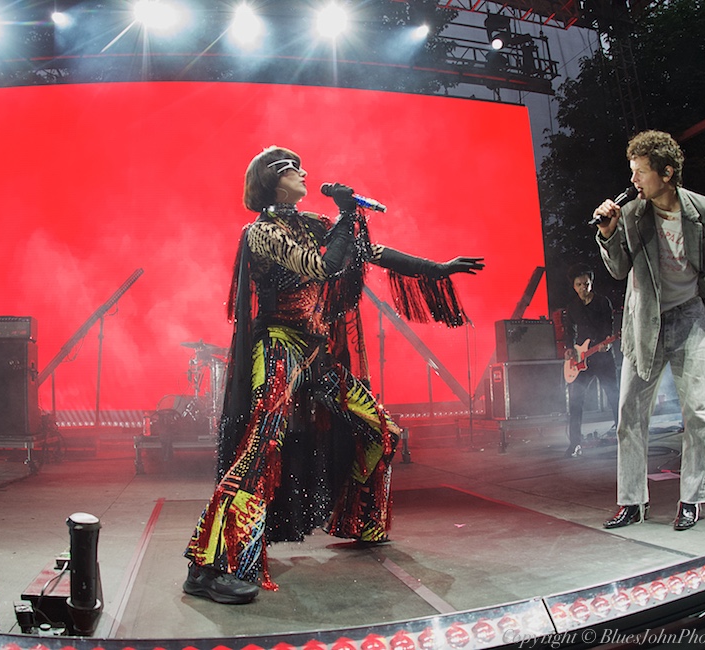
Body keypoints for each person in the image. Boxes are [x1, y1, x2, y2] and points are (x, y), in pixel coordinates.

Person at [183, 146, 484, 604]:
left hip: (316, 357)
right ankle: (209, 565)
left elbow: (371, 253)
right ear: (269, 182)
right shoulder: (260, 232)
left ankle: (359, 521)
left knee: (379, 430)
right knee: (260, 452)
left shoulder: (313, 225)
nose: (303, 172)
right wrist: (347, 212)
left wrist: (436, 268)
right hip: (279, 349)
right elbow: (322, 265)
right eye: (291, 168)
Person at [592, 130, 705, 531]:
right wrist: (607, 234)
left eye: (641, 172)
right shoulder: (630, 214)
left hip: (690, 317)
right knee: (629, 415)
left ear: (667, 172)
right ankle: (632, 503)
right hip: (644, 321)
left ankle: (692, 499)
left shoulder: (704, 210)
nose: (634, 181)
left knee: (696, 414)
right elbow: (618, 269)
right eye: (632, 172)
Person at [562, 263, 619, 458]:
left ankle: (624, 439)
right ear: (574, 286)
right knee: (576, 402)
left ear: (591, 283)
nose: (583, 288)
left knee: (615, 397)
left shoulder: (603, 302)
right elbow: (569, 331)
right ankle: (575, 444)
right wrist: (569, 348)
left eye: (586, 284)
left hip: (602, 357)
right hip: (581, 360)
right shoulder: (572, 307)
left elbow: (609, 327)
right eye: (579, 284)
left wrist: (608, 343)